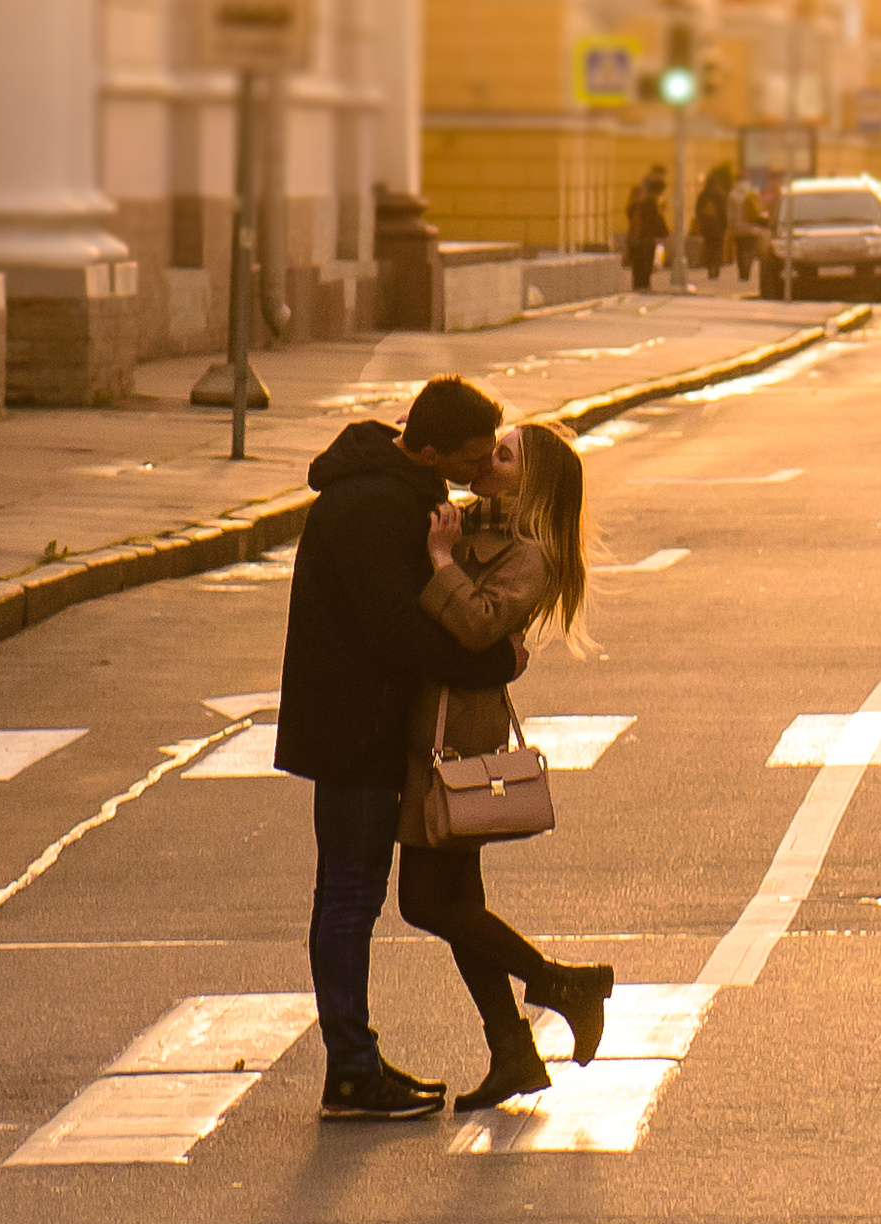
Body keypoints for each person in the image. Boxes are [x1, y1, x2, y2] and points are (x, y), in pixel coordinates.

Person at [276, 376, 527, 1119]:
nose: (479, 468)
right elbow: (396, 631)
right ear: (429, 450)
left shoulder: (400, 489)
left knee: (350, 897)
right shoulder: (373, 506)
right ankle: (351, 1071)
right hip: (354, 729)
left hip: (366, 725)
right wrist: (490, 662)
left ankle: (356, 1061)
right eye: (472, 457)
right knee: (349, 899)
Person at [407, 423, 615, 1109]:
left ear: (533, 485)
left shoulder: (532, 554)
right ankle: (513, 1051)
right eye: (491, 447)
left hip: (456, 729)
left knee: (424, 901)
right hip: (437, 716)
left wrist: (442, 559)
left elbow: (478, 625)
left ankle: (562, 983)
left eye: (504, 457)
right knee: (458, 904)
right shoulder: (468, 521)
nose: (486, 461)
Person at [625, 166, 669, 293]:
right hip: (644, 237)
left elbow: (630, 212)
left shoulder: (640, 199)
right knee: (644, 263)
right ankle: (642, 286)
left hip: (639, 237)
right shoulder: (648, 200)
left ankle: (640, 286)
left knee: (641, 264)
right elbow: (653, 219)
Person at [694, 166, 732, 279]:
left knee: (708, 247)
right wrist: (725, 225)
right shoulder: (720, 195)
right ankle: (716, 267)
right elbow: (723, 211)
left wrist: (702, 221)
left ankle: (710, 267)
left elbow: (698, 211)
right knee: (717, 248)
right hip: (718, 227)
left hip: (706, 227)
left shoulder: (703, 196)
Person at [730, 175, 767, 283]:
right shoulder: (753, 193)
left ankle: (742, 274)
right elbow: (759, 210)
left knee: (740, 251)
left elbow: (730, 214)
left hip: (738, 229)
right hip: (752, 228)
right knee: (750, 251)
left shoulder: (732, 195)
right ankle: (747, 272)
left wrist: (731, 228)